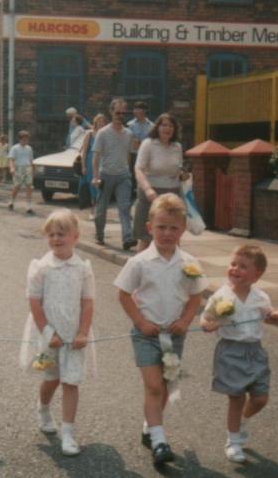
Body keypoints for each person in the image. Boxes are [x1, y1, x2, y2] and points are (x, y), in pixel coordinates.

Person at [114, 193, 208, 466]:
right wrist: (141, 322)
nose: (167, 233)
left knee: (165, 386)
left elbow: (196, 295)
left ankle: (149, 428)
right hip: (146, 334)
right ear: (149, 227)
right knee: (153, 385)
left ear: (183, 230)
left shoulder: (189, 263)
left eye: (174, 228)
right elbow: (122, 294)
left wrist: (186, 320)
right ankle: (160, 441)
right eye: (161, 227)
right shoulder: (139, 262)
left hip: (174, 336)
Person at [200, 245, 278, 463]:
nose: (235, 269)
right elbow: (206, 317)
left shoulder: (260, 296)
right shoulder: (221, 295)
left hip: (255, 350)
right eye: (233, 264)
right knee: (236, 398)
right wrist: (208, 324)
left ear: (257, 275)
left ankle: (242, 422)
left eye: (243, 266)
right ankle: (233, 441)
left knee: (260, 398)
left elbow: (267, 313)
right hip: (230, 350)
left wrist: (274, 314)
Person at [23, 209, 95, 456]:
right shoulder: (41, 267)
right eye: (51, 234)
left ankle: (68, 433)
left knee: (71, 381)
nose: (55, 239)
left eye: (61, 234)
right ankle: (43, 408)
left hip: (74, 335)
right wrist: (47, 333)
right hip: (49, 333)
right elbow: (34, 302)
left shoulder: (83, 268)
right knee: (51, 379)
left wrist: (83, 332)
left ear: (75, 236)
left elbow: (87, 302)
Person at [134, 113, 185, 252]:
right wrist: (147, 189)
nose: (167, 128)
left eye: (171, 125)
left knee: (173, 237)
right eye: (164, 125)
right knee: (146, 238)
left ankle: (174, 271)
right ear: (157, 127)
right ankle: (139, 271)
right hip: (151, 194)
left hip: (172, 194)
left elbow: (178, 170)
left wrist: (183, 175)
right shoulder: (148, 144)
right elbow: (138, 168)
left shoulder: (177, 147)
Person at [92, 98, 137, 250]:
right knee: (101, 209)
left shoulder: (129, 133)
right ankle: (99, 235)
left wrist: (130, 172)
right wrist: (95, 176)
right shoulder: (103, 133)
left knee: (124, 207)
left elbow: (129, 154)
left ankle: (127, 238)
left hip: (123, 176)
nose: (120, 115)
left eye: (123, 113)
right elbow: (96, 156)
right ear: (111, 112)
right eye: (117, 112)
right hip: (106, 175)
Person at [78, 114, 107, 217]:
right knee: (92, 187)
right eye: (99, 121)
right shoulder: (89, 134)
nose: (101, 123)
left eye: (103, 121)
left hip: (102, 163)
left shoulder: (105, 135)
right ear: (95, 122)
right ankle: (92, 210)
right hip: (90, 163)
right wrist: (83, 166)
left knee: (101, 188)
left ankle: (100, 210)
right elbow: (84, 152)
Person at [8, 130, 35, 214]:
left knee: (29, 187)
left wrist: (33, 170)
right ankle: (11, 202)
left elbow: (31, 160)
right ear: (20, 139)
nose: (25, 141)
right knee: (17, 186)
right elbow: (11, 159)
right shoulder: (15, 148)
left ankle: (29, 207)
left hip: (27, 168)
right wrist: (12, 168)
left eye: (27, 139)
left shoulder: (29, 148)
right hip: (18, 168)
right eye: (24, 139)